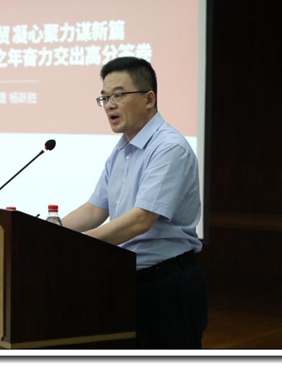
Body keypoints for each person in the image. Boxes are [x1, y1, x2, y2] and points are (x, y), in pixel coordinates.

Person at [62, 56, 207, 349]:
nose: (109, 105)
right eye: (104, 98)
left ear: (149, 99)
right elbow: (95, 209)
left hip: (166, 286)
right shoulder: (122, 151)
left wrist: (74, 247)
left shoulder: (169, 148)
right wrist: (46, 231)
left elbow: (141, 220)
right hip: (127, 281)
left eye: (118, 95)